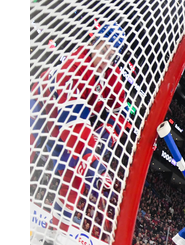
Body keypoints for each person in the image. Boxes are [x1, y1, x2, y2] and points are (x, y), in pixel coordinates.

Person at [30, 22, 130, 231]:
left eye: (111, 55)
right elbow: (71, 119)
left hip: (69, 121)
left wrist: (106, 136)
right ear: (93, 43)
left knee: (77, 174)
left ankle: (55, 232)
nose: (105, 58)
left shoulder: (113, 76)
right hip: (42, 106)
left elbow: (121, 113)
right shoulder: (75, 64)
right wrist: (91, 157)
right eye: (103, 50)